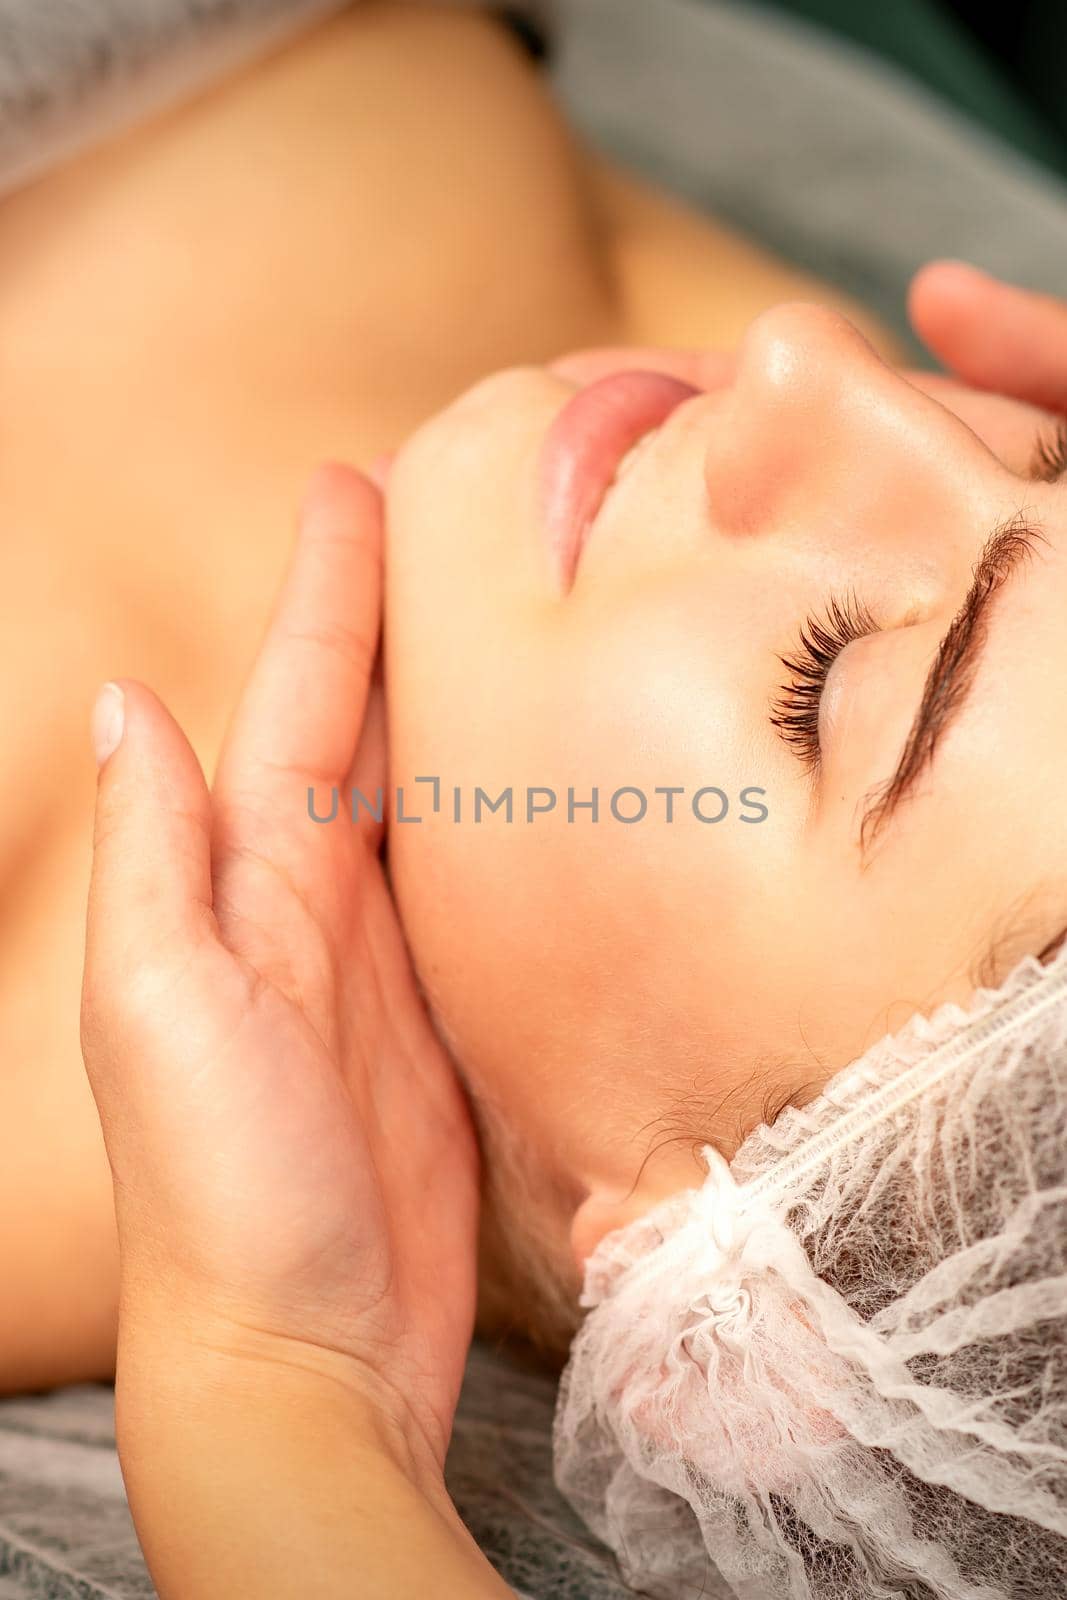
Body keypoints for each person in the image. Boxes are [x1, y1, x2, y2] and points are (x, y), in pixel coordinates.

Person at [80, 266, 1067, 1598]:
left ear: (715, 1319)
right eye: (1052, 455)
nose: (805, 354)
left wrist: (278, 1382)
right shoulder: (641, 350)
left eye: (827, 676)